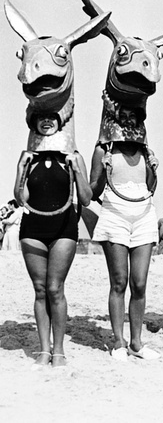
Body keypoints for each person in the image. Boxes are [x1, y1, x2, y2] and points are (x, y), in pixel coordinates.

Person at [14, 113, 92, 369]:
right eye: (41, 117)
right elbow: (21, 198)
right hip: (33, 228)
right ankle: (44, 350)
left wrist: (77, 168)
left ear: (61, 123)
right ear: (34, 124)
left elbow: (86, 198)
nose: (47, 121)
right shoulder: (29, 158)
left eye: (52, 117)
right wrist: (21, 170)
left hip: (63, 227)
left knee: (55, 288)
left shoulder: (73, 156)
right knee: (40, 289)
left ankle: (58, 350)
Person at [90, 105, 160, 361]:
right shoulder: (104, 149)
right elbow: (93, 192)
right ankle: (119, 342)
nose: (129, 121)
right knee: (119, 281)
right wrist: (104, 170)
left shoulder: (145, 150)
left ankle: (136, 343)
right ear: (115, 121)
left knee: (139, 283)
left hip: (143, 215)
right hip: (114, 214)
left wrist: (153, 169)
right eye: (124, 117)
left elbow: (151, 187)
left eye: (134, 117)